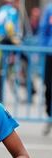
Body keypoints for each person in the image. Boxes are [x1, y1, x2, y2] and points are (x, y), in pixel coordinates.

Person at [38, 3, 52, 135]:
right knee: (48, 87)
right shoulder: (49, 9)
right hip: (50, 53)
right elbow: (44, 30)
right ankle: (49, 116)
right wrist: (41, 49)